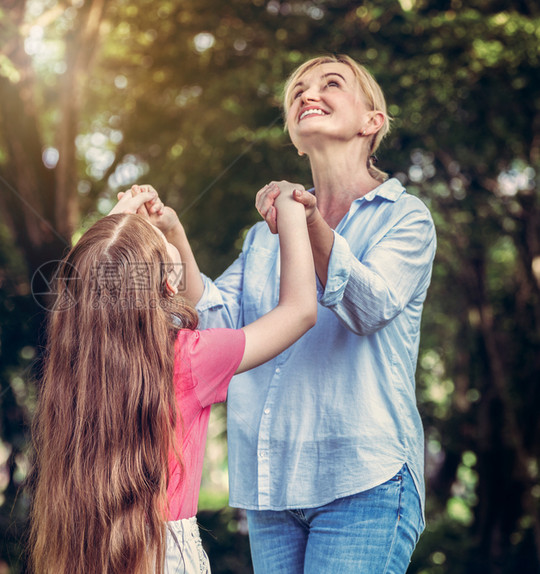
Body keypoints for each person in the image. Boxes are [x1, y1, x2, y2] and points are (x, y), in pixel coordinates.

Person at [145, 54, 437, 573]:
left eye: (331, 83)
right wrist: (175, 236)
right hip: (273, 487)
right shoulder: (264, 236)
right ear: (295, 136)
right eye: (298, 91)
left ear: (373, 123)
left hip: (364, 479)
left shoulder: (406, 217)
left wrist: (304, 223)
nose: (308, 93)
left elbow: (370, 306)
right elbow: (216, 323)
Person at [27, 185, 316, 574]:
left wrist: (122, 223)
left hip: (88, 549)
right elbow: (299, 311)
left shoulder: (75, 364)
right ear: (168, 285)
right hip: (168, 557)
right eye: (161, 244)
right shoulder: (190, 356)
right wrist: (294, 213)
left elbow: (93, 281)